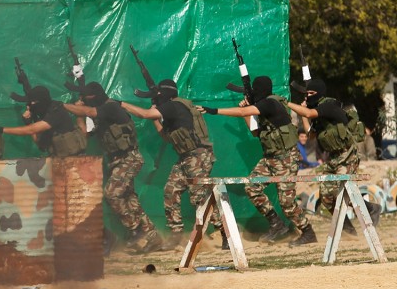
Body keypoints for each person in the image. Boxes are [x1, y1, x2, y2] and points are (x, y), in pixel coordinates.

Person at [201, 76, 313, 245]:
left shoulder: (270, 103)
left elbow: (242, 112)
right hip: (270, 158)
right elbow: (255, 132)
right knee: (252, 187)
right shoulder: (264, 107)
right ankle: (276, 224)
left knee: (287, 202)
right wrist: (247, 110)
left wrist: (214, 110)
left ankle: (307, 231)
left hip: (285, 158)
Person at [64, 81, 163, 254]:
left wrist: (65, 106)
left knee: (112, 193)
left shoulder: (110, 107)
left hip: (129, 158)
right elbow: (84, 136)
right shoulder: (99, 114)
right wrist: (79, 116)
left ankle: (135, 230)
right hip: (117, 161)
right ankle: (153, 237)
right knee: (131, 201)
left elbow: (89, 111)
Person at [121, 79, 220, 249]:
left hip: (198, 155)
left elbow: (143, 114)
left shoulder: (174, 105)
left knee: (199, 196)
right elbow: (166, 138)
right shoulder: (172, 109)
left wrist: (121, 104)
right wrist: (156, 119)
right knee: (170, 192)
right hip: (186, 157)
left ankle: (223, 231)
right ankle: (176, 234)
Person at [288, 78, 382, 237]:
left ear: (319, 94)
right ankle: (347, 228)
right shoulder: (317, 112)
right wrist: (304, 114)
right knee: (326, 196)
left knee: (345, 190)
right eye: (306, 94)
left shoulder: (328, 106)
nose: (307, 97)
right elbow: (311, 135)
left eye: (310, 94)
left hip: (347, 155)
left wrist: (288, 104)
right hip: (333, 157)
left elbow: (309, 112)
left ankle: (371, 208)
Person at [0, 85, 88, 158]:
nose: (30, 106)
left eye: (33, 102)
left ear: (42, 100)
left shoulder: (56, 111)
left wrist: (2, 129)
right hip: (60, 161)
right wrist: (29, 122)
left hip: (76, 160)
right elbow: (41, 145)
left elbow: (31, 130)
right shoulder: (43, 115)